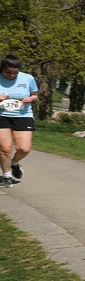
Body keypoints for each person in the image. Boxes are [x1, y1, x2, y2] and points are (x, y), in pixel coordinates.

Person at [0, 55, 38, 188]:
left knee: (24, 148)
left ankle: (14, 163)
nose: (11, 75)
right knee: (5, 148)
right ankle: (6, 176)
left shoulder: (28, 78)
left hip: (23, 115)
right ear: (2, 69)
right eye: (8, 72)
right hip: (2, 115)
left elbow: (34, 95)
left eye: (15, 73)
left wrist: (30, 99)